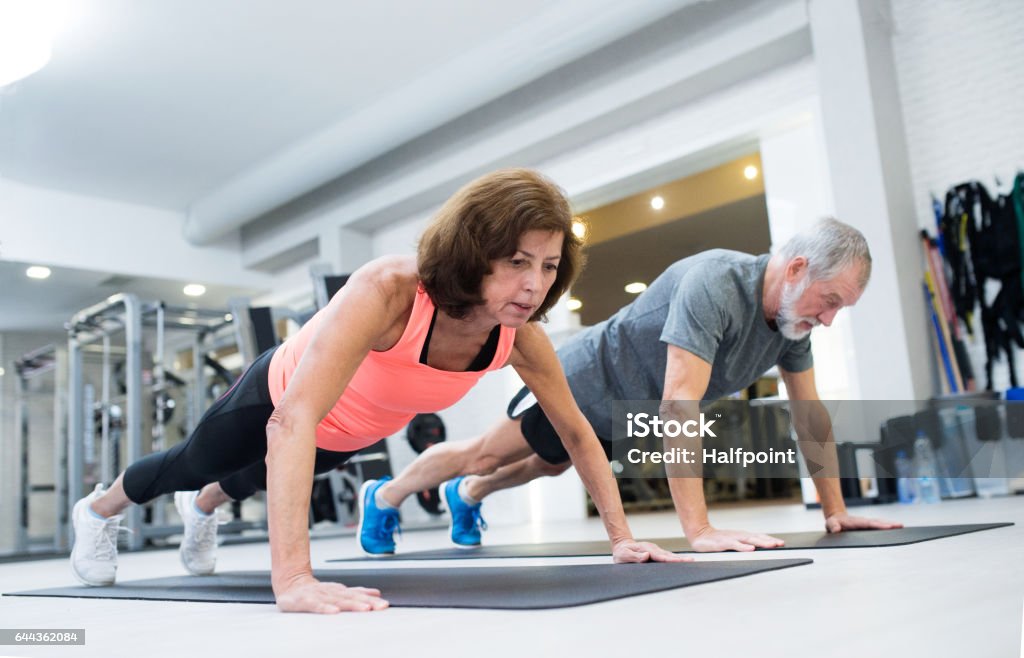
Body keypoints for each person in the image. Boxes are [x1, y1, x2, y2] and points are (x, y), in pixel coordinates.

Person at [69, 168, 684, 615]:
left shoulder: (518, 334)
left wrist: (621, 537)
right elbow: (291, 420)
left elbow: (576, 430)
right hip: (280, 398)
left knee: (248, 481)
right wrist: (294, 579)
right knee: (194, 464)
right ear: (475, 253)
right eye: (518, 262)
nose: (534, 284)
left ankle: (202, 509)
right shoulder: (391, 290)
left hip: (353, 429)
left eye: (548, 267)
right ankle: (98, 511)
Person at [362, 217, 902, 554]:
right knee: (486, 453)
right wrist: (700, 530)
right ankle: (384, 495)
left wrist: (835, 509)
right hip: (582, 379)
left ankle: (468, 496)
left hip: (627, 408)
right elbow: (679, 402)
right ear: (796, 269)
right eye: (829, 301)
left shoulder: (790, 323)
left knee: (549, 464)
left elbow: (809, 413)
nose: (828, 319)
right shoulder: (716, 282)